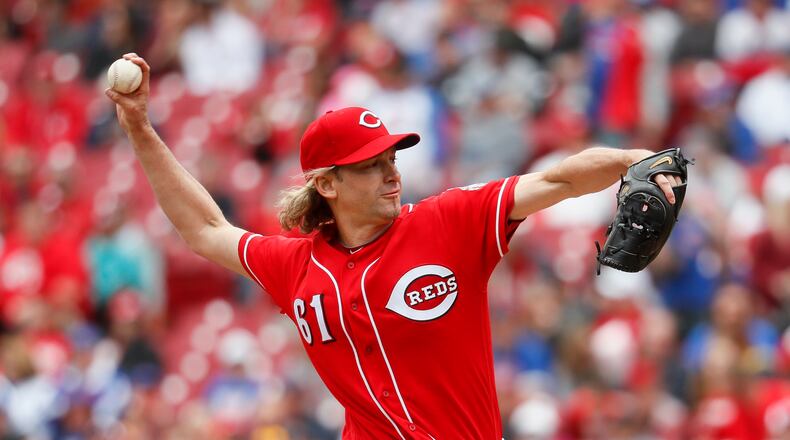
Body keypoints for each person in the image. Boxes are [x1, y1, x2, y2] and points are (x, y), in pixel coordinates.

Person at [105, 53, 683, 439]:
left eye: (391, 158)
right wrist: (140, 129)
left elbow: (558, 180)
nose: (391, 173)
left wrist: (633, 159)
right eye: (369, 165)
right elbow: (206, 230)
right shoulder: (296, 266)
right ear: (327, 185)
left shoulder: (448, 222)